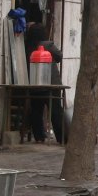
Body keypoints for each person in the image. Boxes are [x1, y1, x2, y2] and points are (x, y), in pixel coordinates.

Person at [25, 8, 64, 143]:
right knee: (56, 112)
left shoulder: (28, 47)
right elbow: (59, 56)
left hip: (35, 84)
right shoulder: (48, 45)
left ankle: (39, 137)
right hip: (52, 84)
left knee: (36, 111)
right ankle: (61, 137)